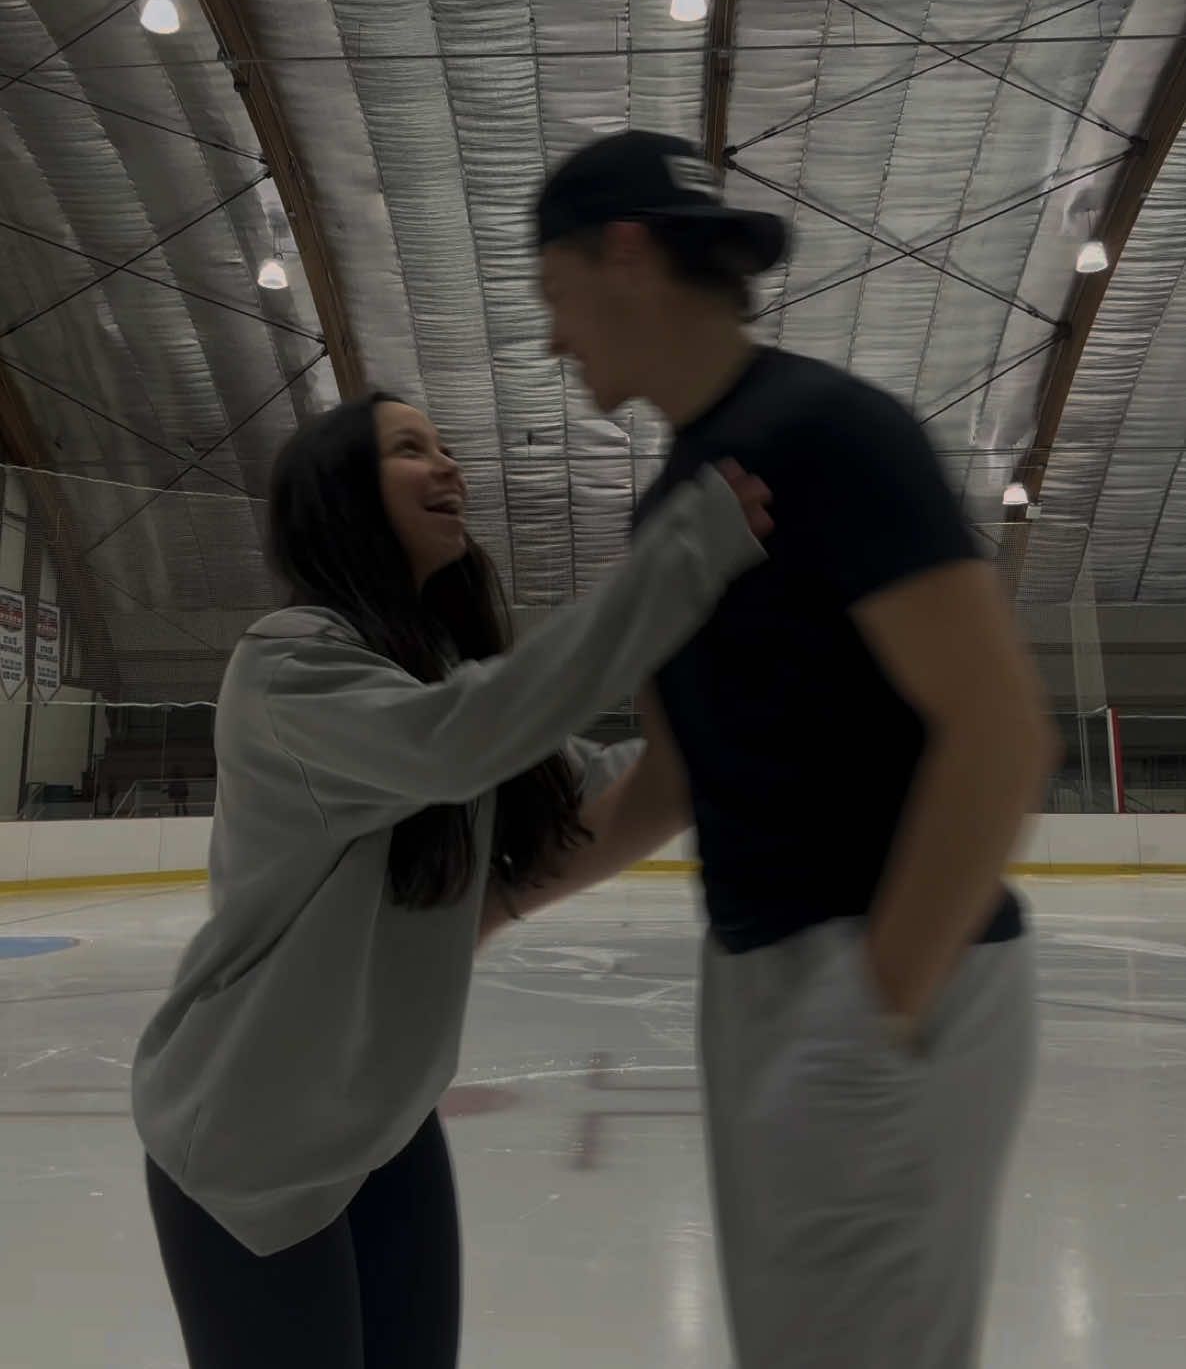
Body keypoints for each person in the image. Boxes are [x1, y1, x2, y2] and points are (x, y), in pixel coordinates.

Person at [515, 129, 1060, 1369]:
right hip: (762, 978)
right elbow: (671, 777)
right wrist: (491, 906)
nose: (553, 338)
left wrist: (878, 1009)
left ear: (626, 253)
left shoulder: (829, 433)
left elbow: (998, 730)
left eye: (553, 294)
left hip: (892, 970)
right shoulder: (672, 500)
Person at [132, 391, 770, 1369]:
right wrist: (673, 570)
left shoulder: (431, 673)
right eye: (409, 450)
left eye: (445, 445)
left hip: (383, 1124)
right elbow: (459, 743)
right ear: (342, 495)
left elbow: (581, 817)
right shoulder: (290, 666)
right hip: (250, 1141)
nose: (448, 468)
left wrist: (706, 686)